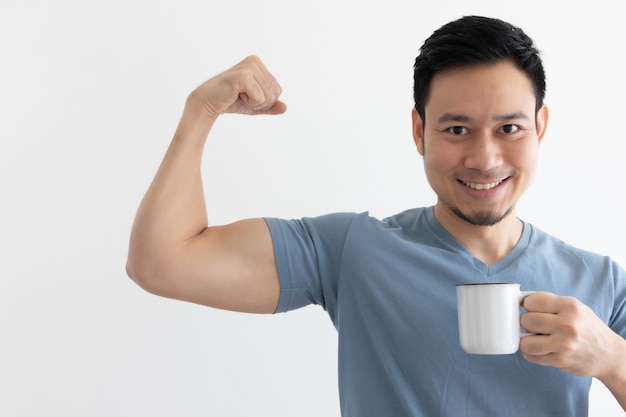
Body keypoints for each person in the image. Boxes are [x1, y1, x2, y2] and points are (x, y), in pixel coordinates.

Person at [126, 15, 626, 416]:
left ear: (540, 127)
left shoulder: (601, 281)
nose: (484, 159)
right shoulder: (352, 251)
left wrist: (611, 358)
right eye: (456, 130)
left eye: (509, 128)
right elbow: (162, 261)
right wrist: (200, 111)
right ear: (418, 131)